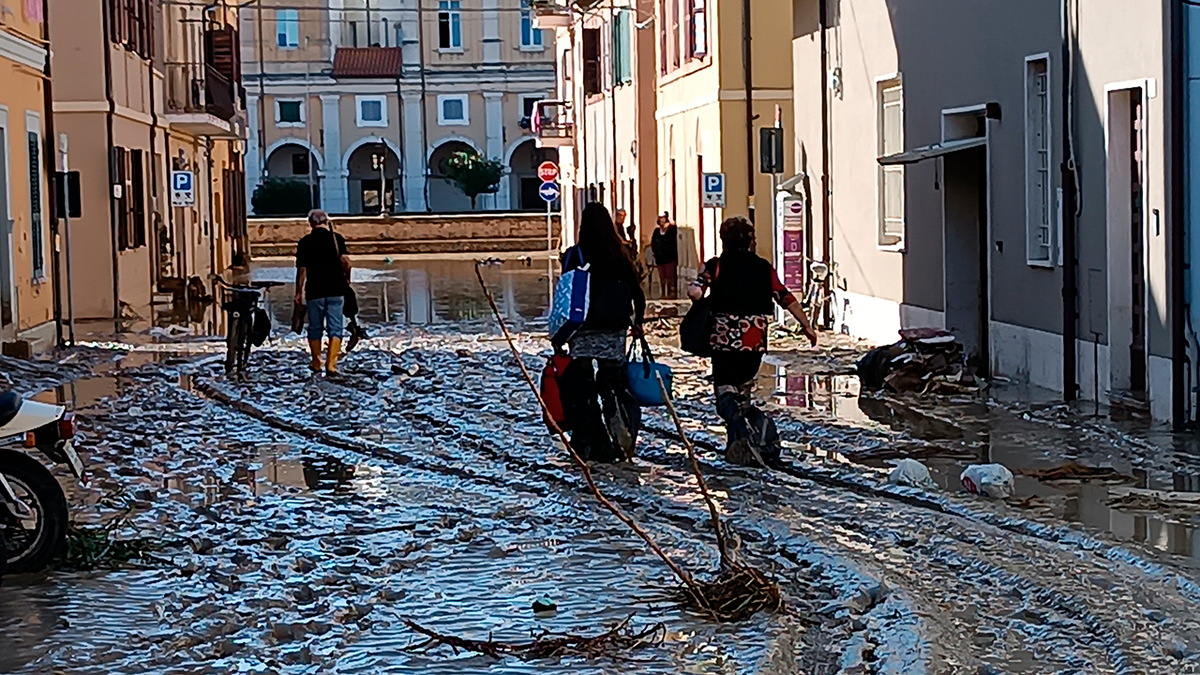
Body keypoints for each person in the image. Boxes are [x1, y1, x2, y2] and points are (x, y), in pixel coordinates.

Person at [688, 216, 818, 467]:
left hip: (724, 340)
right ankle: (742, 441)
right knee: (743, 391)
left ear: (722, 239)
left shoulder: (717, 265)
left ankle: (738, 431)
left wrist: (698, 294)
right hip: (754, 339)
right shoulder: (763, 266)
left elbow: (695, 291)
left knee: (725, 391)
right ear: (750, 240)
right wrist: (806, 325)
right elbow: (784, 295)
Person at [558, 203, 646, 462]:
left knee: (582, 385)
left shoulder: (575, 255)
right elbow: (637, 293)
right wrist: (637, 322)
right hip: (614, 327)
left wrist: (559, 335)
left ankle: (587, 440)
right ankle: (620, 430)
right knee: (613, 382)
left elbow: (564, 293)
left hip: (582, 327)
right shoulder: (620, 254)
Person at [295, 209, 351, 375]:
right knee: (336, 328)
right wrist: (347, 280)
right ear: (326, 222)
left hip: (315, 291)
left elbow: (302, 269)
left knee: (315, 327)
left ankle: (316, 361)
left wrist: (298, 292)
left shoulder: (305, 242)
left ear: (311, 223)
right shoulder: (336, 239)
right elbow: (346, 262)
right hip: (336, 289)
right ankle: (332, 364)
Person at [650, 213, 678, 299]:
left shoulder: (671, 230)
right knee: (662, 277)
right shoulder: (656, 231)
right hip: (659, 257)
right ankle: (662, 292)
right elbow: (653, 242)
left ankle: (669, 292)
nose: (661, 220)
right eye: (660, 219)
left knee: (669, 276)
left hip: (669, 257)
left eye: (663, 218)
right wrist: (655, 251)